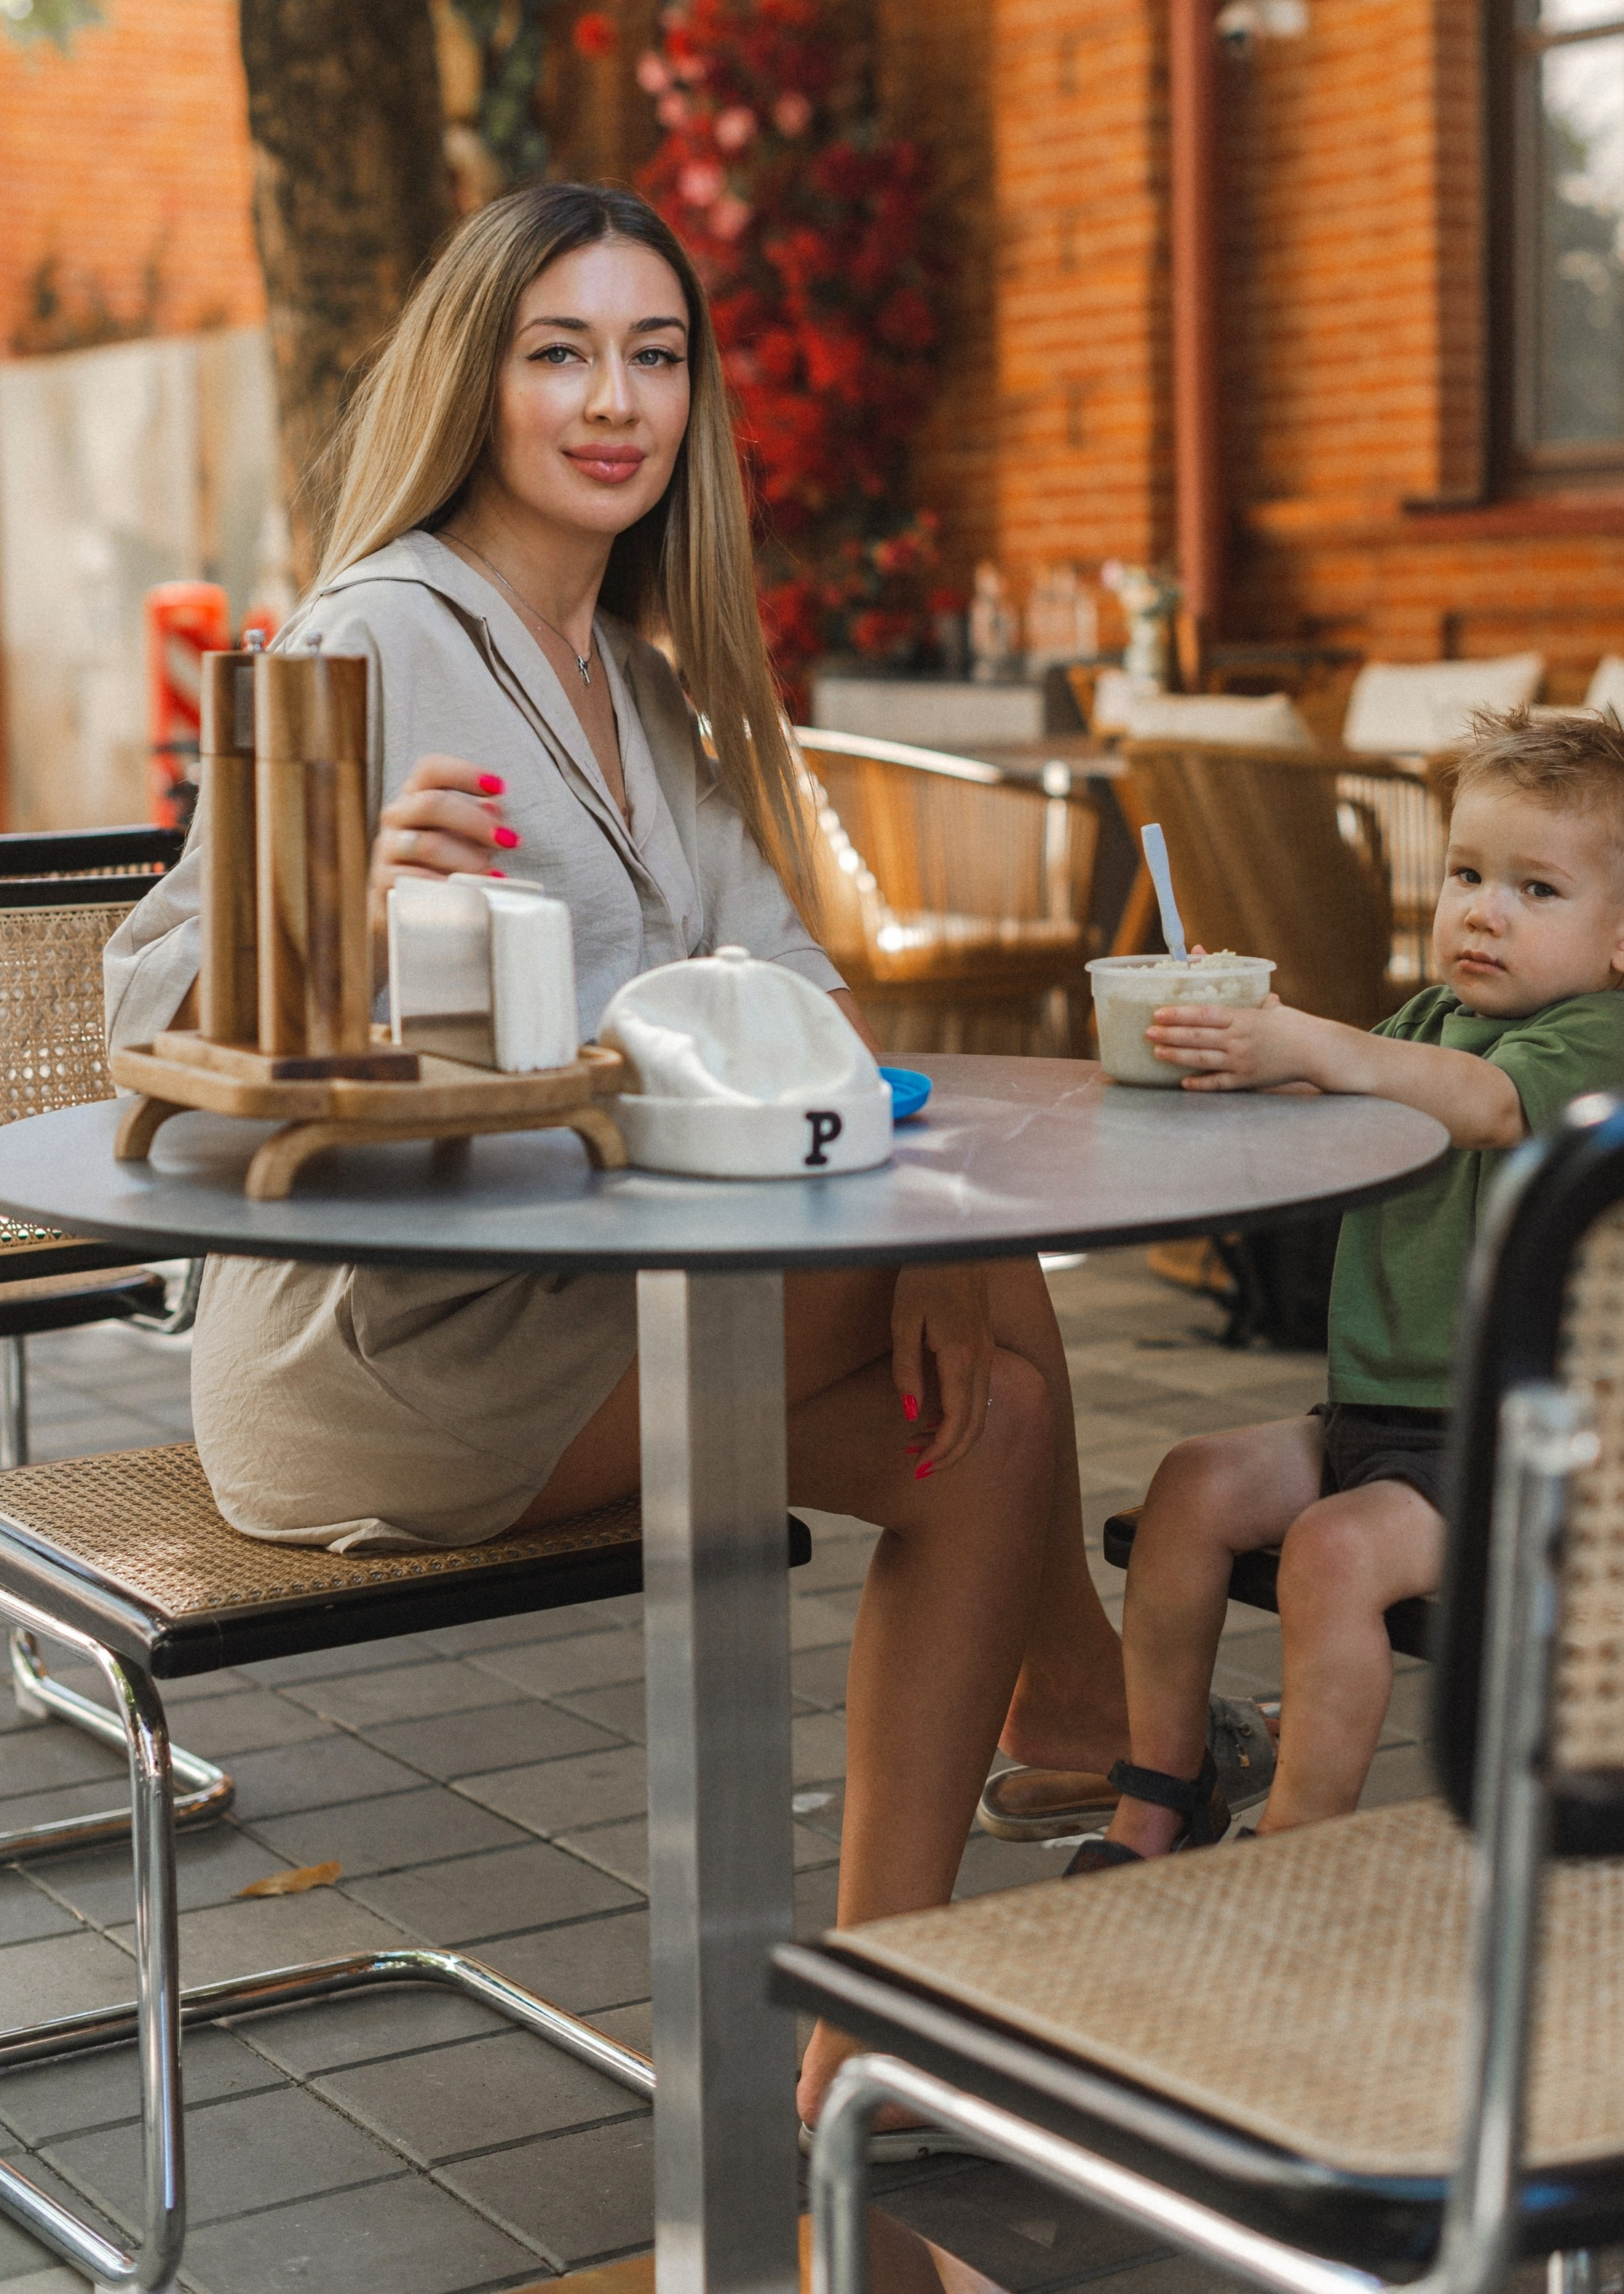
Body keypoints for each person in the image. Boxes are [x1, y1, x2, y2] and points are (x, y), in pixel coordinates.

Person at [104, 183, 1128, 2127]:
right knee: (967, 1262)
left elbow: (806, 998)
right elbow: (154, 976)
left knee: (978, 1393)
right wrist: (326, 893)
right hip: (385, 1351)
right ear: (475, 382)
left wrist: (907, 1220)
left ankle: (857, 2078)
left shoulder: (649, 684)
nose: (614, 398)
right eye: (559, 351)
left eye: (653, 355)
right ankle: (1091, 1717)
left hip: (593, 1303)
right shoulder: (379, 628)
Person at [1063, 708, 1624, 1870]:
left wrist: (1315, 1043)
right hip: (1373, 1420)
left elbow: (1481, 1103)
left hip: (1520, 1455)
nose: (1483, 909)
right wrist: (1231, 1048)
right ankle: (1161, 1790)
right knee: (1191, 1483)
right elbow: (1346, 1096)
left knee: (1331, 1554)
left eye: (1535, 889)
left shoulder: (1603, 1041)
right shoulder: (1429, 1020)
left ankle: (1295, 1848)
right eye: (1467, 872)